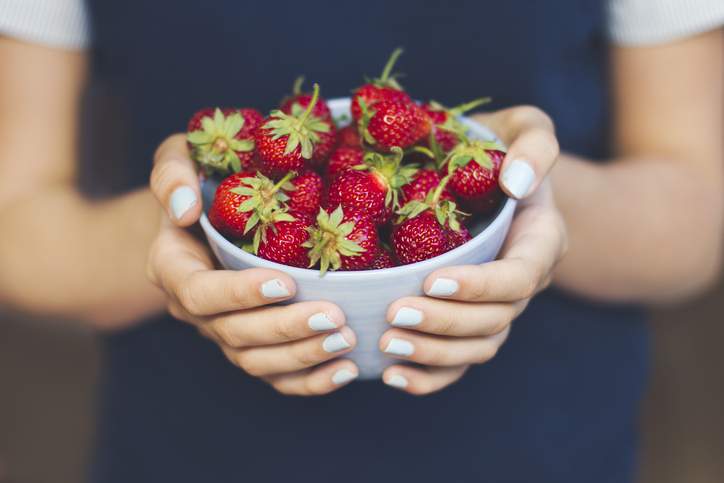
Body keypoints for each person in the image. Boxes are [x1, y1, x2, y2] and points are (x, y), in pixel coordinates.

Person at [0, 0, 722, 481]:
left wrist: (529, 201)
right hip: (193, 451)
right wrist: (183, 234)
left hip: (542, 446)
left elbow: (698, 212)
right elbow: (18, 227)